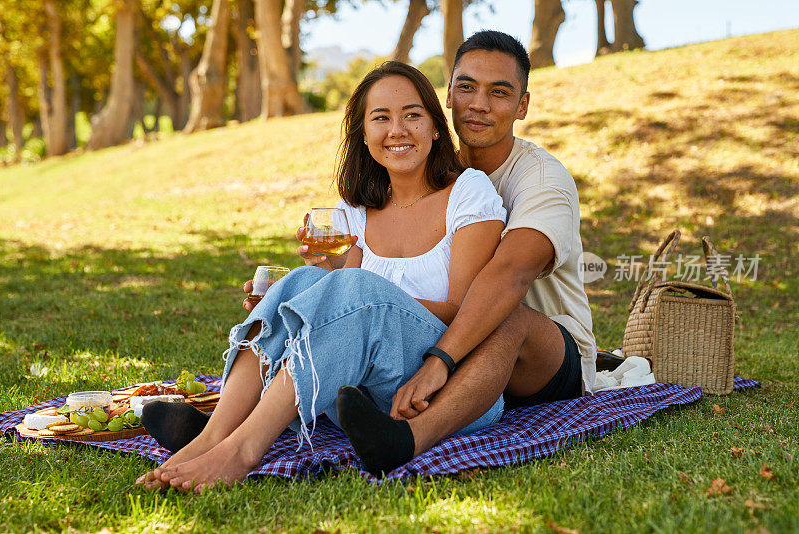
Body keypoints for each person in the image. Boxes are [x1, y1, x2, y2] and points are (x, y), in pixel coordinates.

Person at [136, 61, 508, 491]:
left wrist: (351, 297)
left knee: (346, 289)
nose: (398, 129)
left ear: (435, 127)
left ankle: (244, 450)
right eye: (381, 118)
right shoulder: (352, 214)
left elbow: (466, 311)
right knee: (298, 282)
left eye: (412, 115)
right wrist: (319, 291)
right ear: (365, 136)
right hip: (361, 395)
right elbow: (344, 309)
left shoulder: (468, 192)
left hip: (447, 390)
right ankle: (213, 435)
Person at [297, 30, 597, 474]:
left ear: (523, 106)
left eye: (499, 92)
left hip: (542, 353)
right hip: (453, 343)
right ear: (449, 97)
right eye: (466, 87)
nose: (479, 103)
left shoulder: (543, 181)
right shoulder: (430, 171)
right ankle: (225, 419)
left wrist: (440, 361)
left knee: (503, 313)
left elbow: (508, 276)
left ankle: (407, 440)